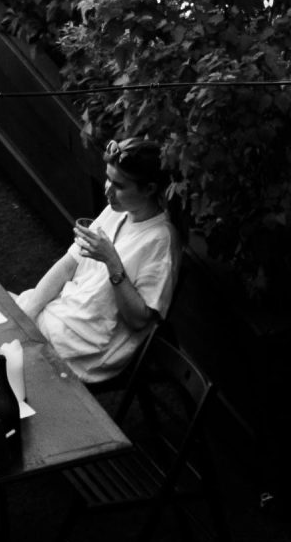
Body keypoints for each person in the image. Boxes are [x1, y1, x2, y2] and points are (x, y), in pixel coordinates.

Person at [17, 139, 179, 389]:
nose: (107, 190)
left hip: (83, 348)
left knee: (0, 355)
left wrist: (112, 262)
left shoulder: (160, 241)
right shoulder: (117, 210)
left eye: (119, 185)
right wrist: (28, 315)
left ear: (149, 189)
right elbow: (68, 264)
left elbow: (139, 321)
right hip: (58, 317)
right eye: (108, 178)